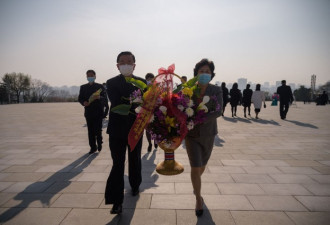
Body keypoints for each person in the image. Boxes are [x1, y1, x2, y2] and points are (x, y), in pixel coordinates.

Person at [105, 51, 146, 214]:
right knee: (118, 163)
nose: (126, 64)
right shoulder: (111, 82)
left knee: (135, 159)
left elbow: (146, 104)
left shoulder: (142, 82)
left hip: (136, 128)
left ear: (134, 65)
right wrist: (137, 101)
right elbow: (116, 102)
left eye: (129, 62)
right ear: (117, 66)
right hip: (116, 129)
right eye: (122, 62)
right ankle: (116, 201)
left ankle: (135, 185)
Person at [185, 58, 223, 217]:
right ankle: (198, 198)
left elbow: (218, 111)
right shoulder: (188, 89)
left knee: (202, 165)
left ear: (212, 74)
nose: (204, 74)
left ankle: (196, 183)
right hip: (191, 134)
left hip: (208, 133)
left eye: (207, 72)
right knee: (195, 166)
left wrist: (199, 118)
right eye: (201, 71)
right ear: (196, 73)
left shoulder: (216, 90)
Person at [78, 70, 107, 154]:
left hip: (98, 111)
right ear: (86, 77)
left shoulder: (100, 86)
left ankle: (99, 142)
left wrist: (99, 98)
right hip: (88, 111)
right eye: (88, 76)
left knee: (98, 129)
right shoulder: (83, 87)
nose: (90, 77)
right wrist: (84, 102)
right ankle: (93, 147)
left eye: (92, 75)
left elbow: (105, 98)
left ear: (95, 76)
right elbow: (80, 98)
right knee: (90, 131)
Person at [145, 73, 158, 152]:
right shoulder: (144, 88)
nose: (150, 80)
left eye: (151, 78)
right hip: (146, 111)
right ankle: (149, 143)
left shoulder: (157, 87)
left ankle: (155, 141)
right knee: (147, 129)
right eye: (148, 78)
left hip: (156, 111)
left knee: (156, 127)